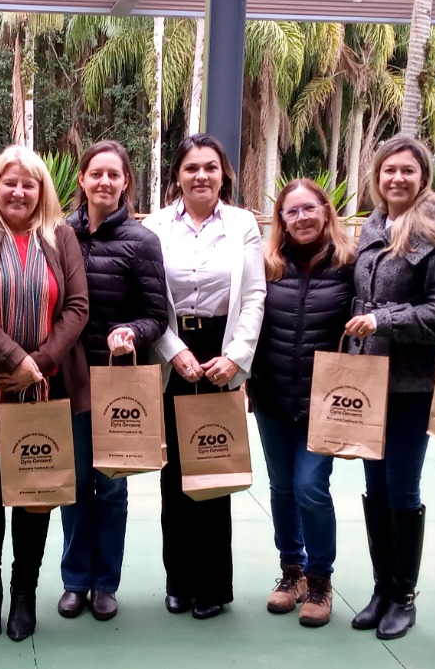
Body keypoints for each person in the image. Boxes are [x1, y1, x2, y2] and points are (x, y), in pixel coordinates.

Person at [0, 145, 89, 642]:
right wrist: (14, 359)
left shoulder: (60, 235)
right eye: (10, 182)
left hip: (45, 387)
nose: (20, 191)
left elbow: (77, 307)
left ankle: (24, 593)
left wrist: (40, 363)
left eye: (30, 183)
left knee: (36, 491)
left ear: (42, 189)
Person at [141, 133, 266, 620]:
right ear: (177, 174)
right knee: (174, 475)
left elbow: (254, 296)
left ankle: (213, 585)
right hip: (172, 351)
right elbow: (150, 300)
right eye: (191, 167)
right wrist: (172, 351)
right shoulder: (154, 227)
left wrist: (236, 357)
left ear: (223, 174)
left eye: (210, 167)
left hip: (222, 351)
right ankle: (180, 579)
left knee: (215, 470)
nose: (201, 176)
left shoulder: (242, 225)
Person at [344, 135, 435, 640]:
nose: (397, 178)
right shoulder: (372, 225)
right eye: (389, 170)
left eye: (407, 171)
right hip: (368, 379)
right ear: (377, 175)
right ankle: (381, 587)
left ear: (423, 177)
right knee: (374, 487)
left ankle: (403, 596)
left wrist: (382, 320)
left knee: (402, 487)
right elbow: (358, 295)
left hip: (412, 382)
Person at [57, 140, 168, 622]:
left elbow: (156, 315)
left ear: (126, 183)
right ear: (82, 179)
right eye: (95, 173)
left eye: (114, 175)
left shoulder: (142, 242)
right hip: (69, 377)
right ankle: (74, 580)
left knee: (113, 484)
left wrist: (132, 332)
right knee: (76, 481)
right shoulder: (60, 234)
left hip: (119, 380)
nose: (104, 182)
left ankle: (106, 584)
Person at [248, 178, 355, 628]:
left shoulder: (350, 264)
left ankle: (320, 579)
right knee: (283, 487)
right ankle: (290, 572)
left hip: (325, 401)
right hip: (273, 395)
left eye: (309, 208)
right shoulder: (268, 266)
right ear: (281, 220)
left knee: (312, 486)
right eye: (291, 212)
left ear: (326, 211)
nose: (302, 218)